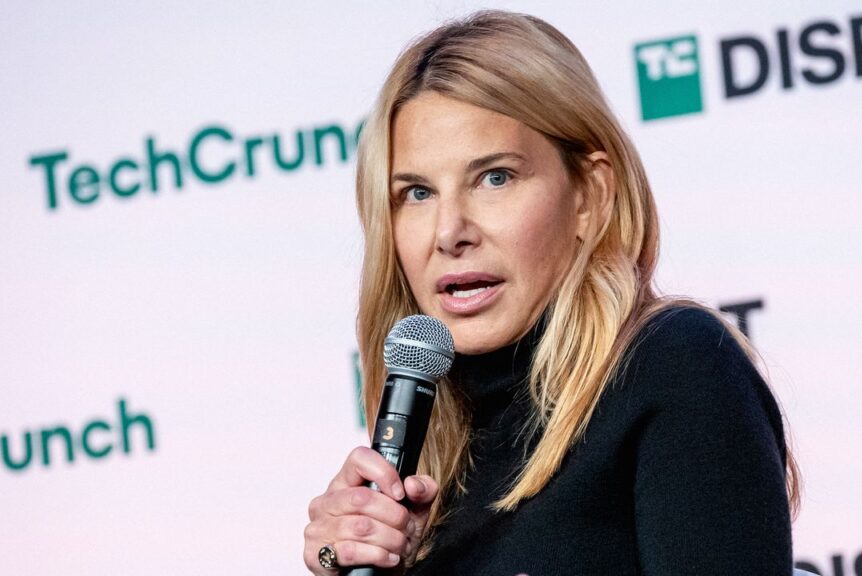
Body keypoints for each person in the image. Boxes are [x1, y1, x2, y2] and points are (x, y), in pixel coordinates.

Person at [304, 10, 800, 575]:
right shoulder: (427, 464)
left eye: (494, 178)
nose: (449, 232)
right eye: (417, 192)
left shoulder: (674, 364)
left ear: (590, 194)